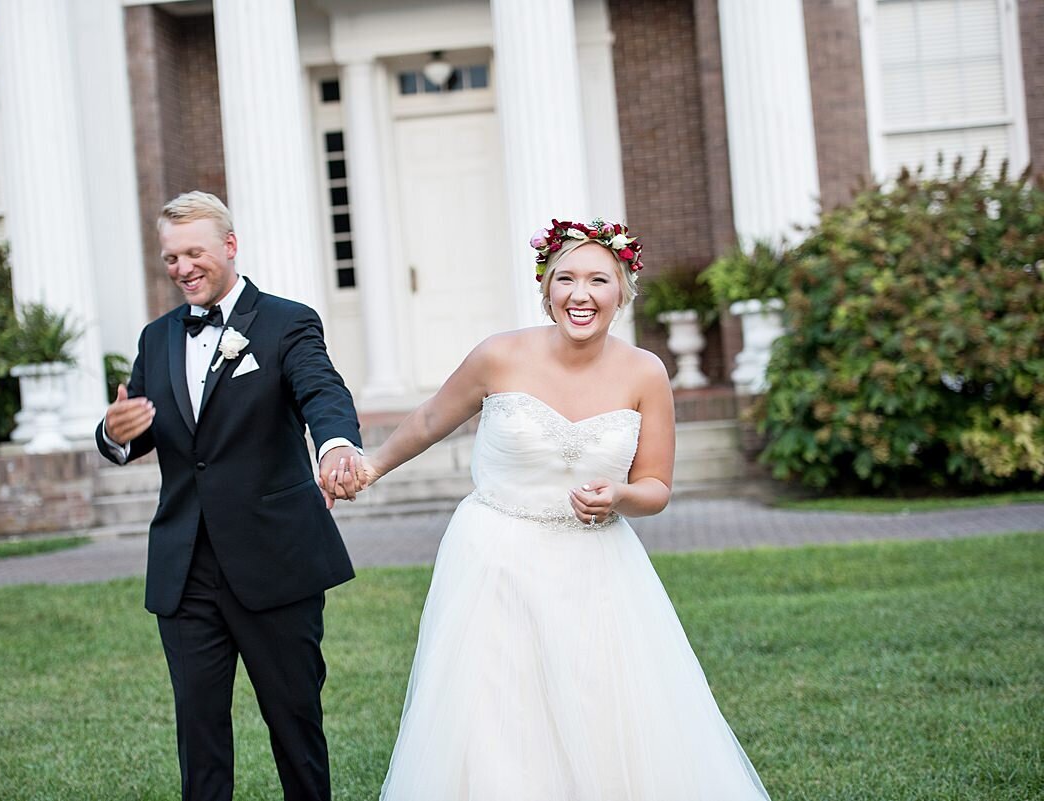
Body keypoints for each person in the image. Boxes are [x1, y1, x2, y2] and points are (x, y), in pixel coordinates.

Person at [362, 218, 771, 799]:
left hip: (596, 568)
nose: (581, 295)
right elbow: (430, 420)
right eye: (566, 280)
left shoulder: (646, 372)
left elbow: (655, 485)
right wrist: (373, 466)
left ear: (622, 291)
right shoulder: (498, 356)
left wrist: (620, 497)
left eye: (598, 281)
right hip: (493, 560)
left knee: (601, 708)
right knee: (496, 715)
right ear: (546, 289)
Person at [95, 191, 363, 801]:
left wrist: (337, 445)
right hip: (185, 568)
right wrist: (113, 433)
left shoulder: (286, 321)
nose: (182, 268)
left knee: (295, 726)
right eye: (170, 258)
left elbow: (321, 390)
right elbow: (135, 424)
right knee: (199, 733)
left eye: (194, 253)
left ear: (230, 247)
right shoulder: (156, 337)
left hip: (274, 558)